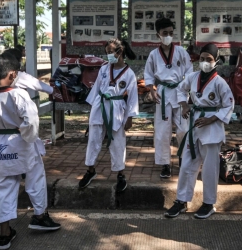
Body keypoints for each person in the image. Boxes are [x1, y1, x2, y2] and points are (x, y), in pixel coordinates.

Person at [0, 53, 60, 250]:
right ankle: (39, 217)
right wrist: (28, 137)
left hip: (0, 144)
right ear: (12, 74)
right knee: (35, 179)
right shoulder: (19, 95)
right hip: (22, 143)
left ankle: (5, 234)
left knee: (3, 187)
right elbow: (31, 121)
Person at [164, 43, 234, 219]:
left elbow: (228, 105)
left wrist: (212, 118)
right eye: (202, 59)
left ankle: (209, 203)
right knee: (187, 164)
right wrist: (184, 105)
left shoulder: (220, 83)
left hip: (212, 127)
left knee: (210, 168)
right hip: (194, 124)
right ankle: (181, 200)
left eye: (208, 59)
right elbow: (181, 90)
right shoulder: (193, 77)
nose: (204, 62)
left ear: (216, 61)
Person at [78, 39, 138, 192]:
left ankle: (120, 174)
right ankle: (90, 170)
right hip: (100, 105)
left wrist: (130, 117)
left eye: (111, 52)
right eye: (107, 52)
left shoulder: (129, 73)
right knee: (93, 139)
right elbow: (97, 88)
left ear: (120, 51)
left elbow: (132, 96)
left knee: (118, 143)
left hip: (116, 107)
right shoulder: (104, 69)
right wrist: (91, 114)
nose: (109, 55)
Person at [144, 18, 193, 178]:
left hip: (180, 92)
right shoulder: (153, 55)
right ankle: (165, 164)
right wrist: (151, 90)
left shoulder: (181, 52)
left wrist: (187, 92)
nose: (168, 36)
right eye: (165, 33)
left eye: (171, 33)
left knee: (184, 129)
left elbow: (190, 73)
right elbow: (149, 75)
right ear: (158, 34)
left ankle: (182, 157)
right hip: (163, 93)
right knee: (162, 131)